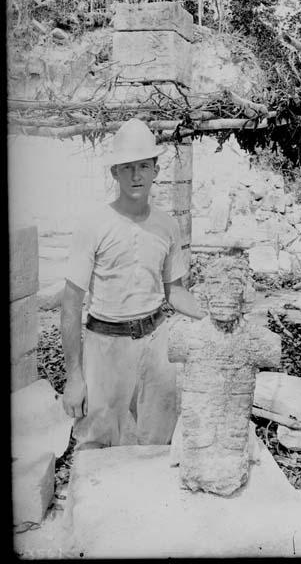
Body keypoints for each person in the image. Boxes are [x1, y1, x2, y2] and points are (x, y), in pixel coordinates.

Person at [61, 118, 204, 450]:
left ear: (156, 169)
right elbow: (70, 305)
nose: (136, 175)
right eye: (127, 167)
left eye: (143, 166)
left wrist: (214, 317)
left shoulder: (167, 225)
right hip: (105, 346)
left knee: (155, 442)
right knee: (97, 442)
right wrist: (74, 377)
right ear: (115, 172)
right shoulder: (94, 224)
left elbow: (176, 291)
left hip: (156, 345)